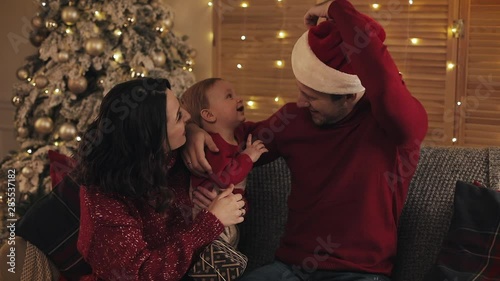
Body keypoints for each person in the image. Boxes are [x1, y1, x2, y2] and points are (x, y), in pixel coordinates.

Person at [182, 0, 428, 280]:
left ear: (348, 96)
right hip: (289, 270)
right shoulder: (294, 119)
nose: (299, 102)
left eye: (311, 97)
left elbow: (382, 77)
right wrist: (193, 128)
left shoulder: (394, 127)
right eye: (301, 91)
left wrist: (338, 8)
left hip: (360, 273)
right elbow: (231, 137)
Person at [73, 77, 246, 281]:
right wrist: (210, 222)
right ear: (152, 138)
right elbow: (142, 274)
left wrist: (193, 131)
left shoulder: (170, 154)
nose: (189, 116)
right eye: (179, 116)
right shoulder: (104, 201)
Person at [181, 78, 268, 247]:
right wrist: (248, 156)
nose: (239, 98)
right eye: (229, 96)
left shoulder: (236, 136)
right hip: (204, 215)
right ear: (209, 115)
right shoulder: (213, 145)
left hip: (226, 214)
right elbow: (224, 179)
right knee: (219, 257)